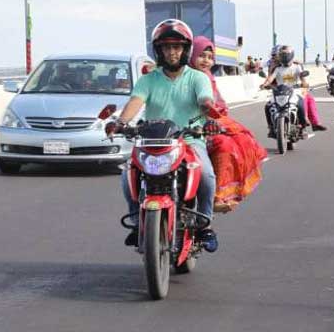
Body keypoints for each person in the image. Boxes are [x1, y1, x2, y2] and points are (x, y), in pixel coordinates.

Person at [110, 19, 219, 251]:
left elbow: (204, 99)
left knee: (207, 176)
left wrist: (211, 111)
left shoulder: (197, 78)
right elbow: (135, 102)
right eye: (167, 47)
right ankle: (136, 224)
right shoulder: (148, 80)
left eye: (177, 47)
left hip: (189, 141)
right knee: (127, 176)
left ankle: (204, 226)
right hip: (152, 142)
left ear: (185, 49)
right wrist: (121, 122)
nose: (172, 52)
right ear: (159, 50)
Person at [189, 36, 268, 212]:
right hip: (183, 129)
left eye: (210, 57)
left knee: (238, 142)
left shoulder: (208, 77)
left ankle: (220, 195)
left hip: (205, 126)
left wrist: (214, 114)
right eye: (201, 55)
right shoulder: (182, 75)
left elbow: (218, 104)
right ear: (191, 55)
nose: (206, 61)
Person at [260, 45, 325, 136]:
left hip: (295, 90)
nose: (276, 57)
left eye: (283, 55)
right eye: (277, 55)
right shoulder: (276, 67)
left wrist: (304, 84)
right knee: (268, 106)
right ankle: (271, 127)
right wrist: (264, 85)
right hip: (279, 91)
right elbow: (270, 78)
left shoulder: (296, 66)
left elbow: (303, 79)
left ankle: (303, 125)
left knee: (303, 103)